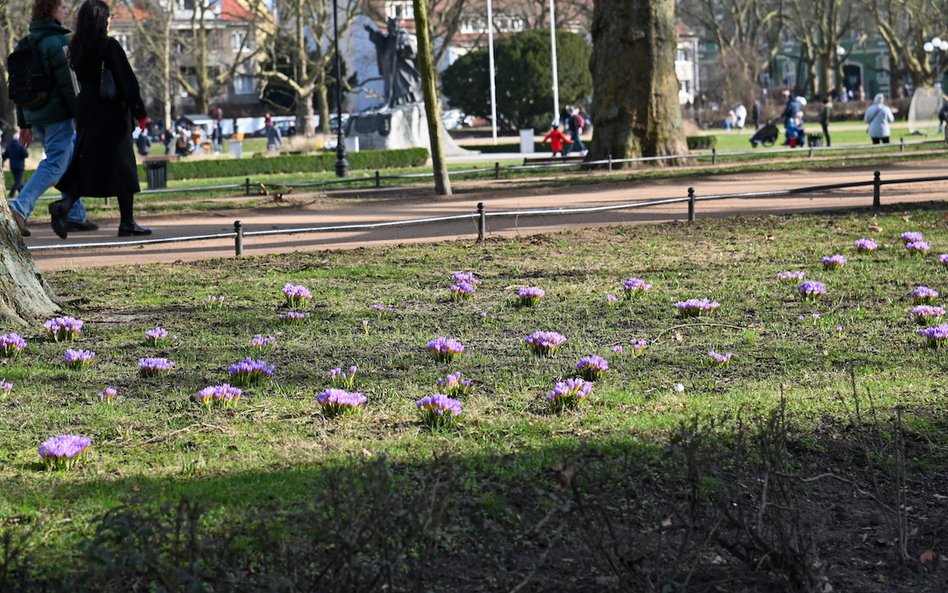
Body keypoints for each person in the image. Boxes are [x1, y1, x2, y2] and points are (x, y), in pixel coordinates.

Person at [49, 0, 150, 239]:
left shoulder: (76, 47)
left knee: (87, 164)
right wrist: (140, 111)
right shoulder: (110, 46)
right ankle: (127, 222)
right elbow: (126, 80)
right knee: (123, 167)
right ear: (101, 20)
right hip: (112, 114)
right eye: (108, 16)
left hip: (88, 111)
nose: (110, 19)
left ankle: (65, 206)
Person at [8, 0, 97, 237]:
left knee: (66, 162)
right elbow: (70, 84)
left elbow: (16, 87)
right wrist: (82, 114)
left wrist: (23, 122)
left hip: (34, 113)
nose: (67, 11)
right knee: (57, 162)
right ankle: (19, 208)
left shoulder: (24, 43)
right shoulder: (58, 43)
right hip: (58, 114)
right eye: (63, 7)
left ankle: (75, 213)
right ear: (52, 10)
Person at [2, 132, 29, 198]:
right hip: (19, 166)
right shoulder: (20, 145)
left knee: (19, 181)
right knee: (18, 181)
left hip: (12, 166)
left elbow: (5, 156)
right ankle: (11, 194)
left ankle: (23, 195)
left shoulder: (9, 145)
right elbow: (25, 154)